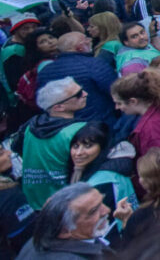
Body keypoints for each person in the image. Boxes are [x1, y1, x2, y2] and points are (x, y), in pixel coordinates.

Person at [13, 78, 87, 210]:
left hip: (33, 203)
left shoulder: (30, 126)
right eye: (78, 94)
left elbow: (16, 147)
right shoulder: (79, 130)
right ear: (58, 107)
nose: (85, 94)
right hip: (67, 204)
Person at [15, 182, 127, 259]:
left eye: (102, 202)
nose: (107, 210)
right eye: (93, 211)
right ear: (65, 231)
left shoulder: (37, 241)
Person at [66, 123, 139, 224]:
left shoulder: (102, 182)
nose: (78, 153)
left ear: (103, 148)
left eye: (88, 146)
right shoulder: (115, 169)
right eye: (76, 146)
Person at [37, 33, 117, 125]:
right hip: (99, 124)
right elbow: (114, 90)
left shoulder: (45, 71)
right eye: (86, 39)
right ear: (79, 47)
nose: (90, 40)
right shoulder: (94, 64)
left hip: (62, 125)